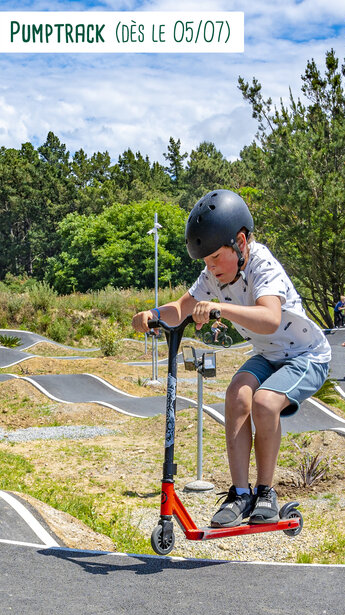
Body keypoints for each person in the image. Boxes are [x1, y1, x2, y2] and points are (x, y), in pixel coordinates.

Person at [132, 189, 331, 527]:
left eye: (215, 258)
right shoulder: (213, 275)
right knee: (236, 394)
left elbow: (269, 318)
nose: (210, 268)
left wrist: (221, 308)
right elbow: (182, 308)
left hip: (305, 355)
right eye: (205, 262)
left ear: (240, 243)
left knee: (265, 403)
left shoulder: (262, 265)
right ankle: (241, 494)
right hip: (268, 354)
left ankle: (266, 491)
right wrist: (151, 313)